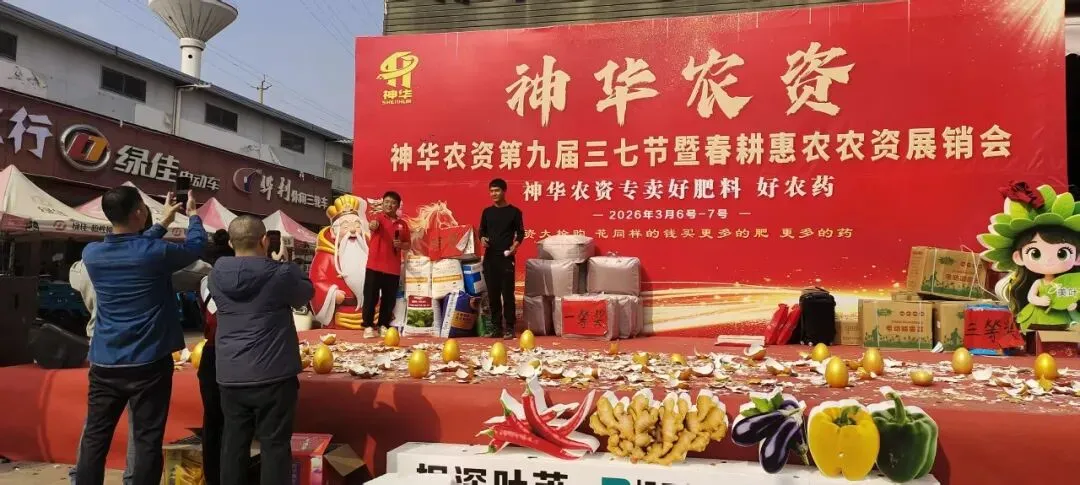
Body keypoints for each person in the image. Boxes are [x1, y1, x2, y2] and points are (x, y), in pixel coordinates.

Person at [75, 188, 205, 485]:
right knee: (147, 438)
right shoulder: (156, 253)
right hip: (149, 362)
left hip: (105, 361)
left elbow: (134, 247)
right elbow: (195, 247)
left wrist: (163, 222)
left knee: (95, 436)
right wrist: (193, 216)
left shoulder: (92, 254)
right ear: (138, 212)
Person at [209, 216, 313, 485]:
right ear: (265, 241)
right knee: (274, 446)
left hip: (230, 373)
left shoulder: (215, 275)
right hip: (273, 373)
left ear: (231, 243)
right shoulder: (281, 273)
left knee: (233, 443)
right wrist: (287, 264)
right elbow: (305, 294)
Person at [195, 229, 233, 485]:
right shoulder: (239, 280)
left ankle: (213, 477)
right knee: (235, 422)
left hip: (210, 354)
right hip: (235, 353)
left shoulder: (204, 282)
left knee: (212, 421)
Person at [309, 195, 372, 329]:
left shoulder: (368, 250)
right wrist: (331, 294)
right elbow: (316, 282)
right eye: (346, 226)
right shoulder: (326, 255)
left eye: (357, 225)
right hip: (342, 318)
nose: (353, 230)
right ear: (333, 232)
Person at [479, 178, 525, 340]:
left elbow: (520, 233)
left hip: (506, 257)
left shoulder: (514, 212)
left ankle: (510, 327)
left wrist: (515, 246)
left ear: (504, 191)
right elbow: (481, 231)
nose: (494, 194)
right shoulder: (487, 212)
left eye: (497, 190)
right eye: (491, 191)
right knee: (492, 294)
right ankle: (496, 328)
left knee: (507, 294)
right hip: (490, 258)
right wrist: (482, 238)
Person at [362, 191, 410, 338]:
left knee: (389, 300)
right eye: (387, 202)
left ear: (398, 206)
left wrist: (400, 244)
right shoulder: (378, 218)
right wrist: (373, 225)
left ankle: (383, 325)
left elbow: (408, 244)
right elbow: (372, 225)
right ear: (383, 204)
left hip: (393, 268)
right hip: (374, 266)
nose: (389, 205)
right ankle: (368, 326)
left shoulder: (402, 224)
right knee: (370, 297)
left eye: (393, 203)